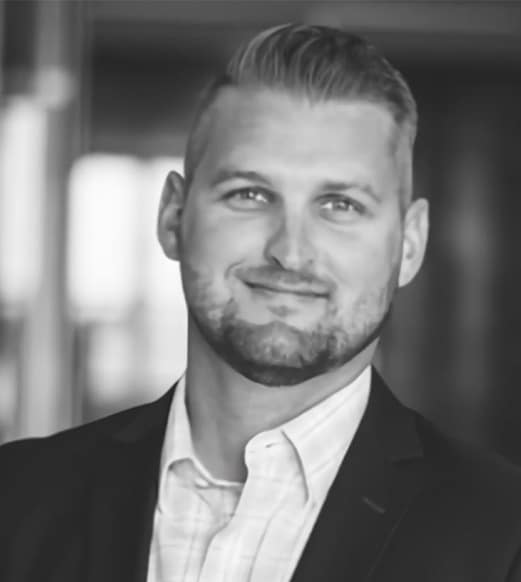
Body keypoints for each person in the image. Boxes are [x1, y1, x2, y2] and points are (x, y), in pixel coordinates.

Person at [1, 23, 521, 582]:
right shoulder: (16, 498)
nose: (290, 253)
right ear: (173, 217)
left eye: (340, 204)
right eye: (249, 194)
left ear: (411, 243)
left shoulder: (505, 534)